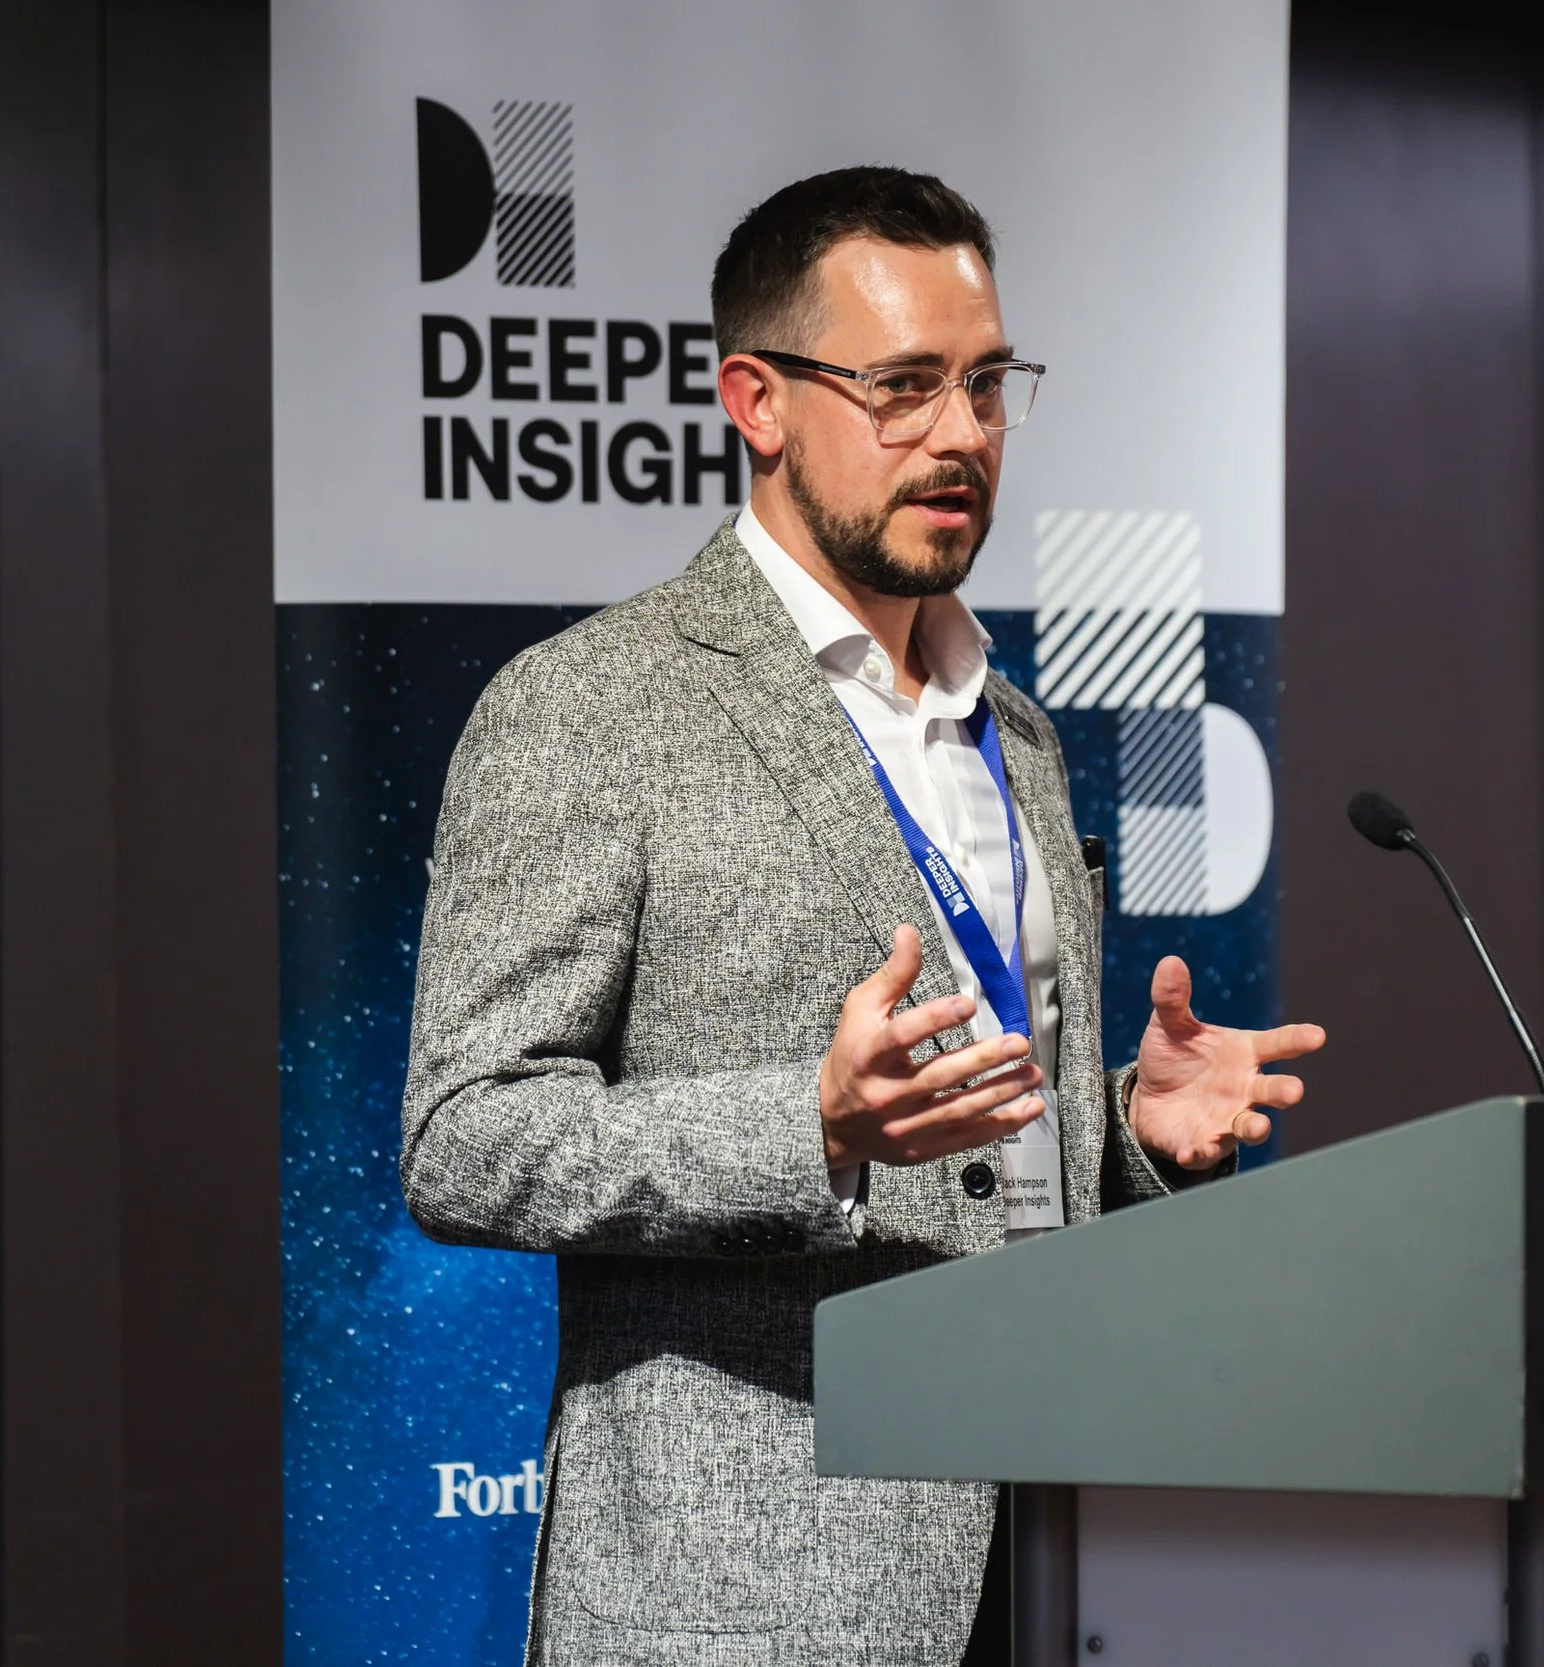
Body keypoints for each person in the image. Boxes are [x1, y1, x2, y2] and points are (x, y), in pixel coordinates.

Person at [400, 165, 1325, 1667]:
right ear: (756, 402)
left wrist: (1124, 1129)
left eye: (986, 382)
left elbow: (975, 1159)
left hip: (1059, 1553)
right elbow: (464, 1136)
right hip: (756, 1598)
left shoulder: (1010, 727)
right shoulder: (587, 708)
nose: (962, 434)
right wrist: (810, 1129)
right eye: (902, 387)